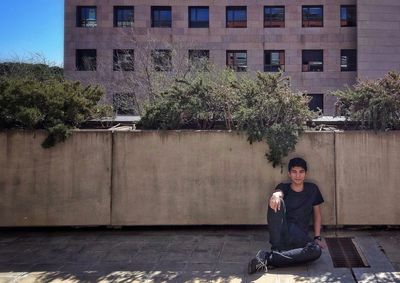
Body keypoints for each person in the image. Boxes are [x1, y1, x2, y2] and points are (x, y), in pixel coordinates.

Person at [248, 157, 326, 274]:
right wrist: (276, 195)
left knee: (316, 251)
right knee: (276, 201)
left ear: (306, 173)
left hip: (300, 236)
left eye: (301, 172)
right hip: (282, 231)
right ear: (289, 174)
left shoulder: (312, 189)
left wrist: (317, 237)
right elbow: (279, 191)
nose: (298, 175)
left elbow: (317, 213)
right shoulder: (284, 187)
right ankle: (277, 249)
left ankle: (269, 258)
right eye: (294, 172)